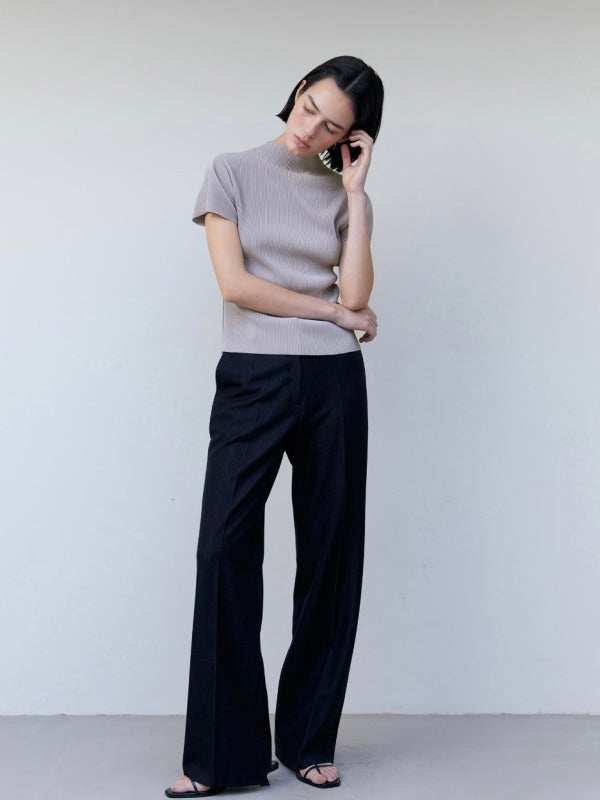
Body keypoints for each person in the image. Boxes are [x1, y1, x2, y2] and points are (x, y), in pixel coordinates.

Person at [165, 54, 384, 798]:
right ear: (296, 91)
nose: (310, 128)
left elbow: (358, 289)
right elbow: (237, 286)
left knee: (331, 557)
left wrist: (355, 195)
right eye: (309, 106)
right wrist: (332, 313)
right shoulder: (230, 171)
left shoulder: (340, 190)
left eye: (332, 126)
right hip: (252, 376)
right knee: (223, 549)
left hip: (334, 383)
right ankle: (220, 758)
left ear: (352, 138)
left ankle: (308, 739)